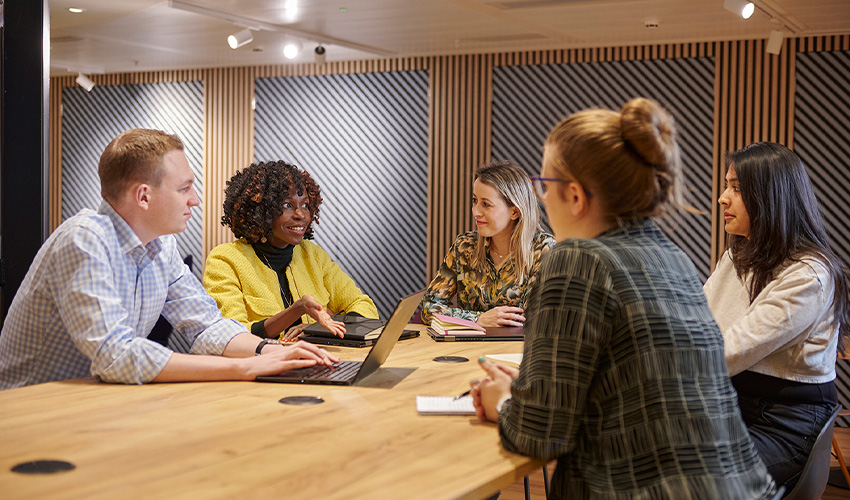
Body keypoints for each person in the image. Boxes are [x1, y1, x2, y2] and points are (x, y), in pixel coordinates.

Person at [470, 99, 777, 499]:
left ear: (576, 196)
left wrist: (504, 401)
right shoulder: (673, 258)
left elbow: (538, 436)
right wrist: (533, 391)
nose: (542, 199)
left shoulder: (576, 259)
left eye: (545, 186)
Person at [0, 129, 337, 390]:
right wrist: (244, 367)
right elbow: (116, 356)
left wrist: (268, 351)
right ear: (143, 196)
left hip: (94, 403)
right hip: (32, 411)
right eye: (184, 188)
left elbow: (207, 325)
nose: (196, 199)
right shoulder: (84, 239)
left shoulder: (163, 247)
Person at [703, 142, 849, 492]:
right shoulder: (737, 257)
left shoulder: (810, 274)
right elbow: (696, 325)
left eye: (736, 189)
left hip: (783, 425)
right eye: (727, 186)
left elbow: (731, 349)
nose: (723, 198)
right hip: (733, 409)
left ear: (771, 196)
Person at [203, 160, 378, 341]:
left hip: (317, 360)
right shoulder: (225, 260)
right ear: (262, 210)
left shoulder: (313, 255)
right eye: (287, 205)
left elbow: (363, 305)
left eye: (305, 205)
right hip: (262, 364)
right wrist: (297, 310)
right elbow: (232, 334)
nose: (301, 215)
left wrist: (318, 329)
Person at [420, 160, 554, 327]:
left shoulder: (543, 249)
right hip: (467, 349)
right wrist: (477, 319)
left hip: (517, 352)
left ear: (515, 212)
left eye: (486, 204)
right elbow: (427, 309)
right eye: (475, 200)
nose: (475, 212)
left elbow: (537, 318)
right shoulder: (464, 246)